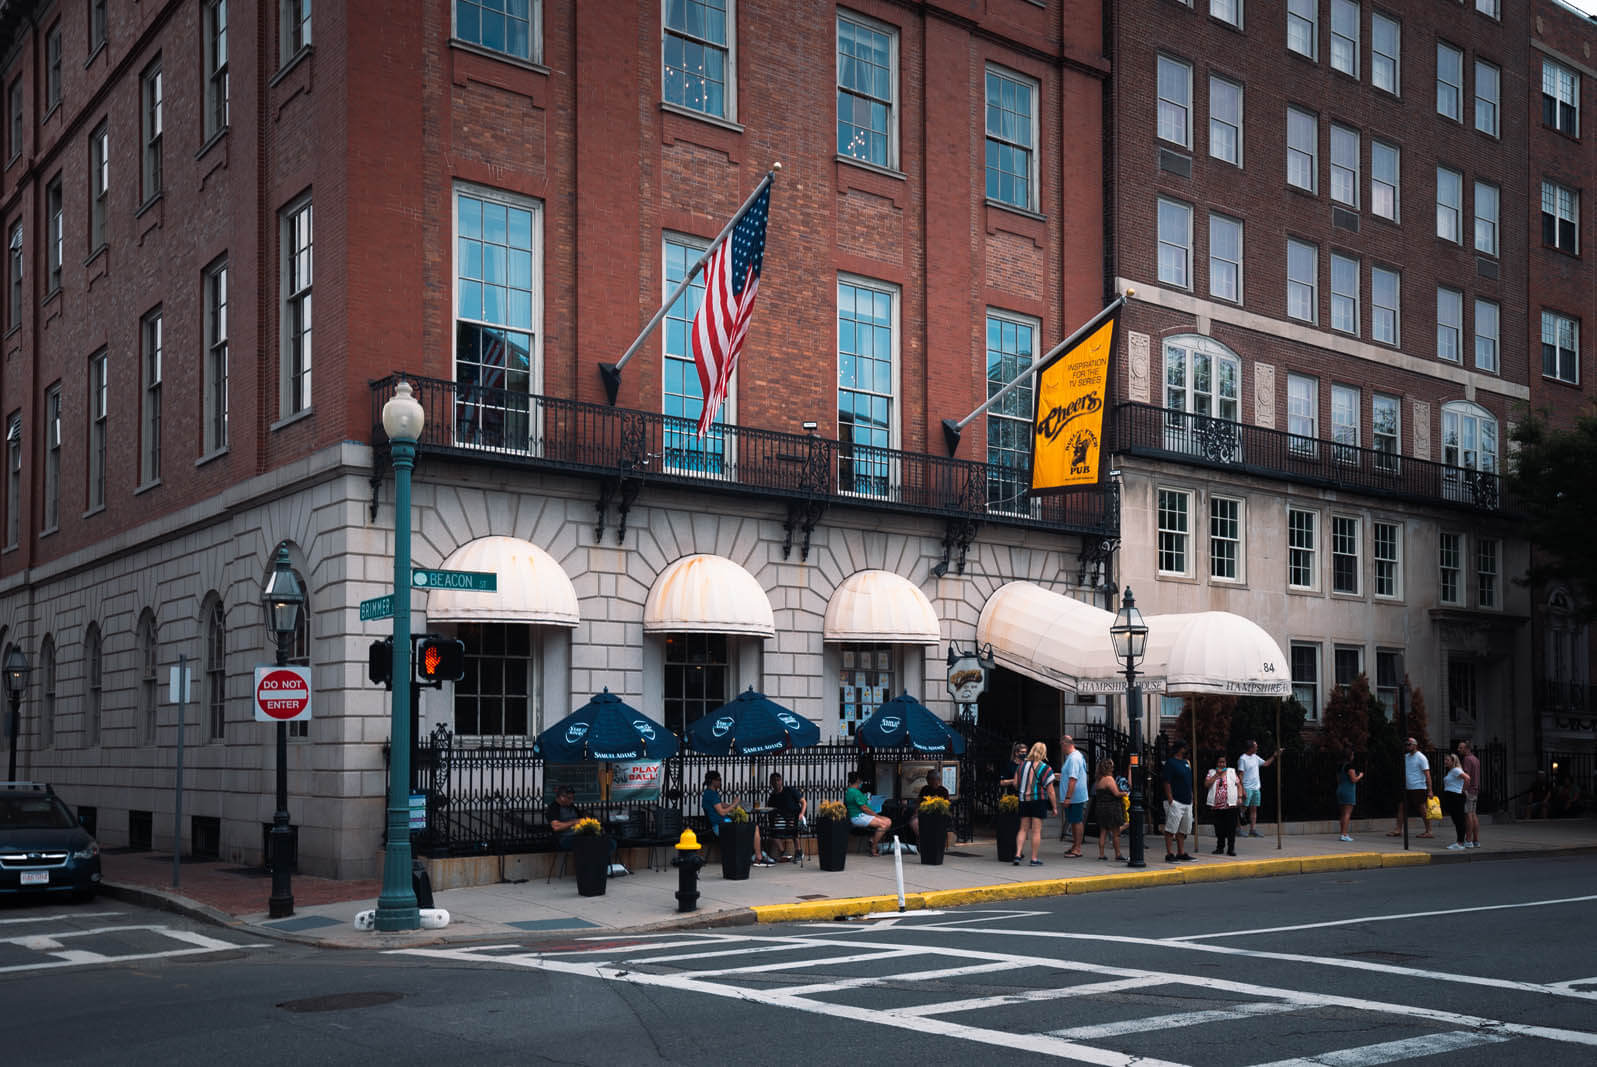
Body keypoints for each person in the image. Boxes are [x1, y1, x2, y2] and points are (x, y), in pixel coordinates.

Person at [702, 770, 774, 867]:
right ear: (712, 781)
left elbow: (722, 805)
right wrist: (735, 803)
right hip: (721, 827)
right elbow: (722, 812)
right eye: (719, 780)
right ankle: (758, 857)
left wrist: (737, 807)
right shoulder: (711, 794)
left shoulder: (710, 794)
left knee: (750, 827)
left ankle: (755, 855)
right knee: (754, 827)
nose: (720, 782)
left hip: (723, 825)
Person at [546, 784, 619, 867]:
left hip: (580, 836)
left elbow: (582, 819)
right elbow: (556, 827)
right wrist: (574, 822)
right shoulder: (553, 808)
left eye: (573, 798)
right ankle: (594, 867)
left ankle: (602, 866)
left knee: (609, 842)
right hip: (565, 838)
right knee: (590, 844)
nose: (572, 801)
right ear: (562, 797)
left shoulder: (572, 807)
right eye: (570, 798)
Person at [1013, 742, 1059, 866]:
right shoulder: (1045, 768)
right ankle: (1033, 858)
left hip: (1024, 800)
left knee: (1023, 829)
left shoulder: (1021, 766)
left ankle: (1017, 854)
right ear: (1043, 753)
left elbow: (1015, 784)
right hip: (1038, 801)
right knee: (1036, 831)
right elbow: (1050, 790)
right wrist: (1054, 807)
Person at [1387, 737, 1434, 839]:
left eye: (1410, 744)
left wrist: (1430, 790)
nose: (1407, 746)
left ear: (1415, 745)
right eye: (1406, 744)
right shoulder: (1406, 757)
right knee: (1401, 807)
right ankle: (1398, 829)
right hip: (1407, 787)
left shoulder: (1421, 757)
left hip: (1418, 787)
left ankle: (1429, 830)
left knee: (1422, 809)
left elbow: (1427, 774)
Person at [1237, 740, 1280, 838]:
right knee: (1242, 809)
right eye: (1256, 746)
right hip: (1247, 787)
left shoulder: (1255, 757)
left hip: (1256, 788)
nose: (1257, 748)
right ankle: (1238, 829)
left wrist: (1274, 756)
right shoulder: (1243, 759)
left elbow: (1265, 764)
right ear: (1251, 748)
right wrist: (1242, 789)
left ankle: (1252, 830)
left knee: (1254, 809)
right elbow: (1240, 775)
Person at [844, 770, 892, 855]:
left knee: (888, 821)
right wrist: (877, 816)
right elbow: (864, 808)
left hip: (860, 816)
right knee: (884, 824)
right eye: (861, 781)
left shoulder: (850, 791)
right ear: (858, 781)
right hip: (859, 817)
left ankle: (872, 840)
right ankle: (873, 847)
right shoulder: (855, 792)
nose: (861, 783)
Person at [1204, 754, 1242, 857]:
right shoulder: (1211, 772)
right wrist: (1216, 775)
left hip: (1230, 805)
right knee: (1219, 829)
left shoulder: (1231, 772)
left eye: (1223, 762)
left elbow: (1239, 785)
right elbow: (1206, 785)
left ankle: (1231, 849)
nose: (1222, 764)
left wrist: (1239, 797)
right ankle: (1220, 848)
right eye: (1220, 762)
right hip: (1216, 806)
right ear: (1216, 763)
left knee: (1231, 828)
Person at [1162, 741, 1195, 862]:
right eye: (1184, 747)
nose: (1186, 750)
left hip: (1187, 800)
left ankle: (1181, 852)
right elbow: (1167, 781)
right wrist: (1170, 799)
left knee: (1184, 828)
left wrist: (1191, 795)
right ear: (1179, 749)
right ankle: (1169, 853)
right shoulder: (1171, 763)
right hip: (1176, 800)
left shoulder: (1187, 763)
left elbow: (1188, 781)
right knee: (1171, 827)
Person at [766, 772, 806, 863]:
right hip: (781, 820)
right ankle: (784, 852)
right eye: (773, 781)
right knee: (773, 831)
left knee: (793, 826)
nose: (776, 783)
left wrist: (802, 814)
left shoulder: (790, 790)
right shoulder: (772, 797)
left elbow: (803, 802)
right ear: (771, 783)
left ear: (781, 781)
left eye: (778, 780)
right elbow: (770, 810)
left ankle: (798, 851)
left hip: (796, 818)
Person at [1060, 734, 1089, 858]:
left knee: (1076, 821)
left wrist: (1068, 797)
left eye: (1061, 746)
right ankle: (1075, 845)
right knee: (1074, 821)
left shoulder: (1073, 758)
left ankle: (1077, 848)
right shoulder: (1074, 757)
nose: (1061, 749)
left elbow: (1073, 779)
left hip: (1075, 797)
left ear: (1065, 744)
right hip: (1074, 796)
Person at [1090, 758, 1124, 862]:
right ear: (1109, 768)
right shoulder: (1109, 779)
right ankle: (1118, 854)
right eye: (1112, 766)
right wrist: (1125, 793)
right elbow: (1116, 793)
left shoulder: (1098, 780)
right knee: (1116, 833)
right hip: (1111, 808)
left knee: (1103, 832)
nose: (1113, 768)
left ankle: (1101, 854)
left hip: (1100, 808)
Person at [910, 768, 952, 849]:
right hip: (924, 815)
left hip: (938, 816)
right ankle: (923, 840)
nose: (930, 781)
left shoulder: (943, 791)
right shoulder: (924, 789)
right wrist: (916, 813)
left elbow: (946, 807)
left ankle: (931, 842)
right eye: (928, 779)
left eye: (933, 779)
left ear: (938, 780)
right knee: (913, 822)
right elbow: (919, 803)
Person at [1440, 753, 1470, 849]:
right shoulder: (1451, 771)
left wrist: (1463, 790)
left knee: (1459, 820)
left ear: (1453, 761)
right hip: (1452, 796)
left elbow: (1467, 778)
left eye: (1447, 760)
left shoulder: (1456, 770)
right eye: (1445, 760)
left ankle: (1460, 842)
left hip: (1456, 796)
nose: (1445, 761)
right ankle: (1461, 841)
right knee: (1457, 820)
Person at [1456, 740, 1481, 848]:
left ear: (1467, 749)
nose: (1458, 749)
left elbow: (1466, 777)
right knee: (1473, 814)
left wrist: (1463, 790)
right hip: (1475, 790)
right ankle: (1476, 840)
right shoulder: (1475, 759)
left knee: (1468, 815)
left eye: (1461, 748)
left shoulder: (1466, 759)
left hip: (1469, 791)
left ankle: (1468, 840)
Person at [1335, 750, 1363, 842]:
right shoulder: (1350, 766)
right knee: (1347, 813)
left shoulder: (1339, 766)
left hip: (1340, 789)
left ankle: (1342, 833)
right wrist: (1360, 776)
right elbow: (1353, 779)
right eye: (1353, 754)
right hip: (1348, 790)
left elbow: (1338, 780)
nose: (1353, 756)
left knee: (1342, 813)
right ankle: (1344, 834)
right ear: (1350, 756)